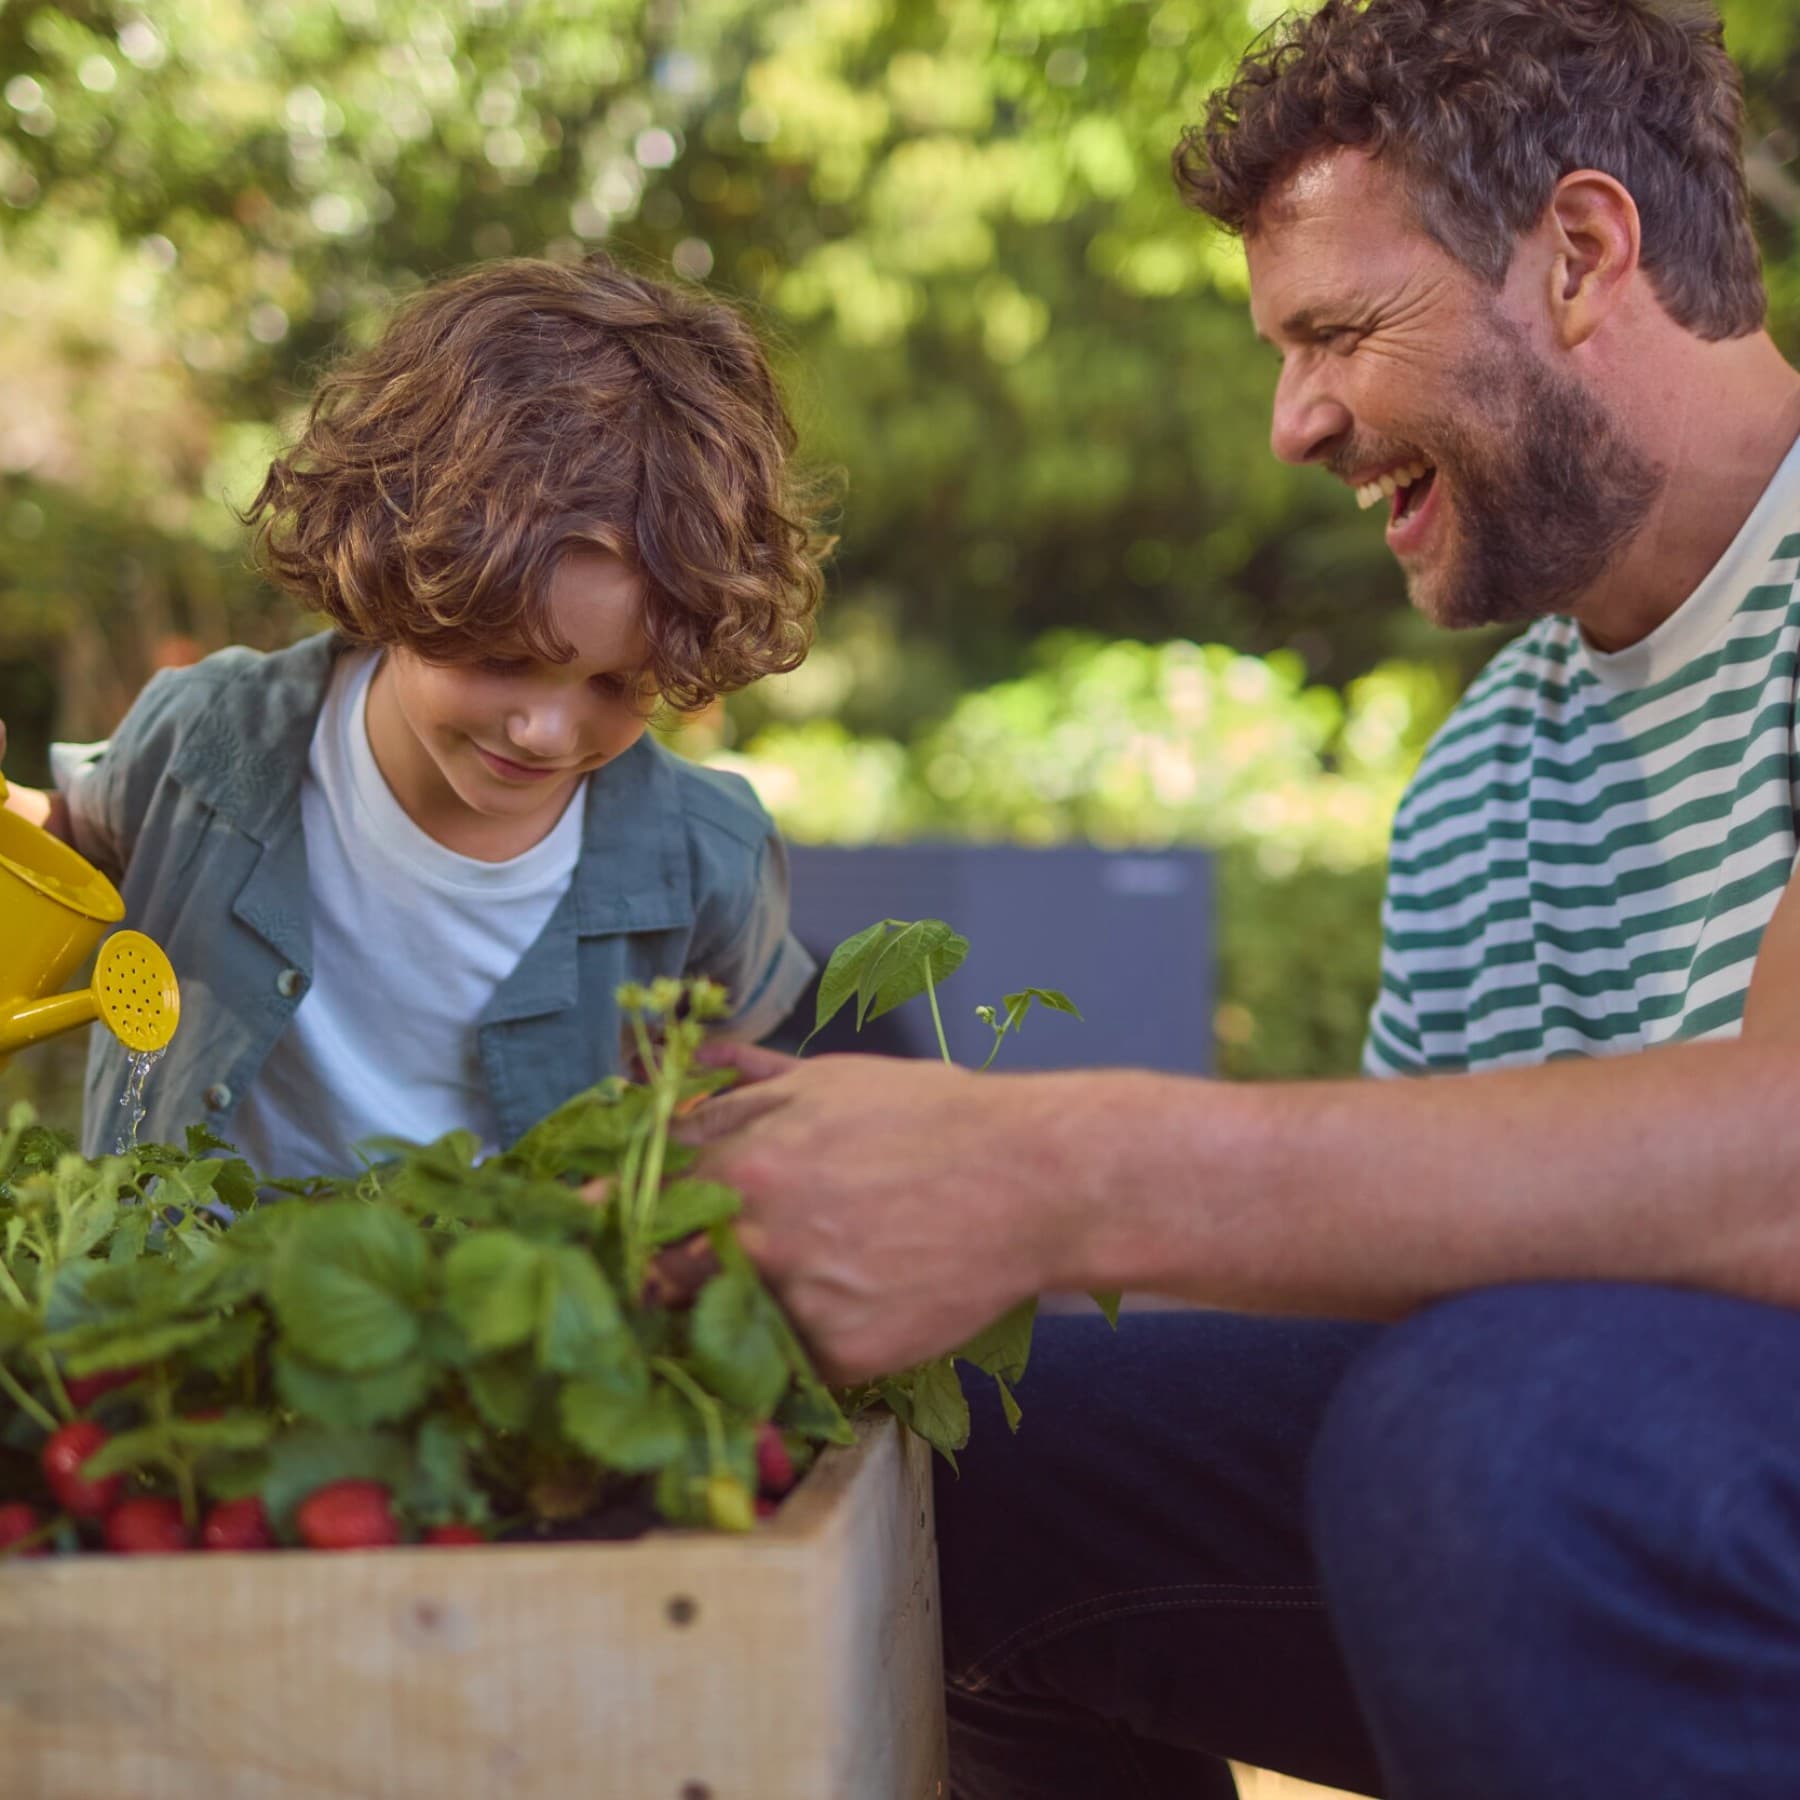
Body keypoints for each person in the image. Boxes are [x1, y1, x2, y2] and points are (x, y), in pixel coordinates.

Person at [681, 2, 1800, 1794]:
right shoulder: (1485, 778)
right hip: (1631, 1501)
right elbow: (1393, 1302)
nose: (1296, 422)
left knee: (1506, 1433)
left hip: (1630, 1479)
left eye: (1342, 331)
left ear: (1584, 252)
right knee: (988, 1444)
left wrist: (1061, 1176)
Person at [0, 253, 829, 1173]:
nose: (546, 731)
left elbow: (734, 1090)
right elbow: (65, 847)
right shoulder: (210, 736)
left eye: (617, 685)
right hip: (180, 1300)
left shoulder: (708, 861)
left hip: (494, 1312)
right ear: (404, 582)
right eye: (502, 659)